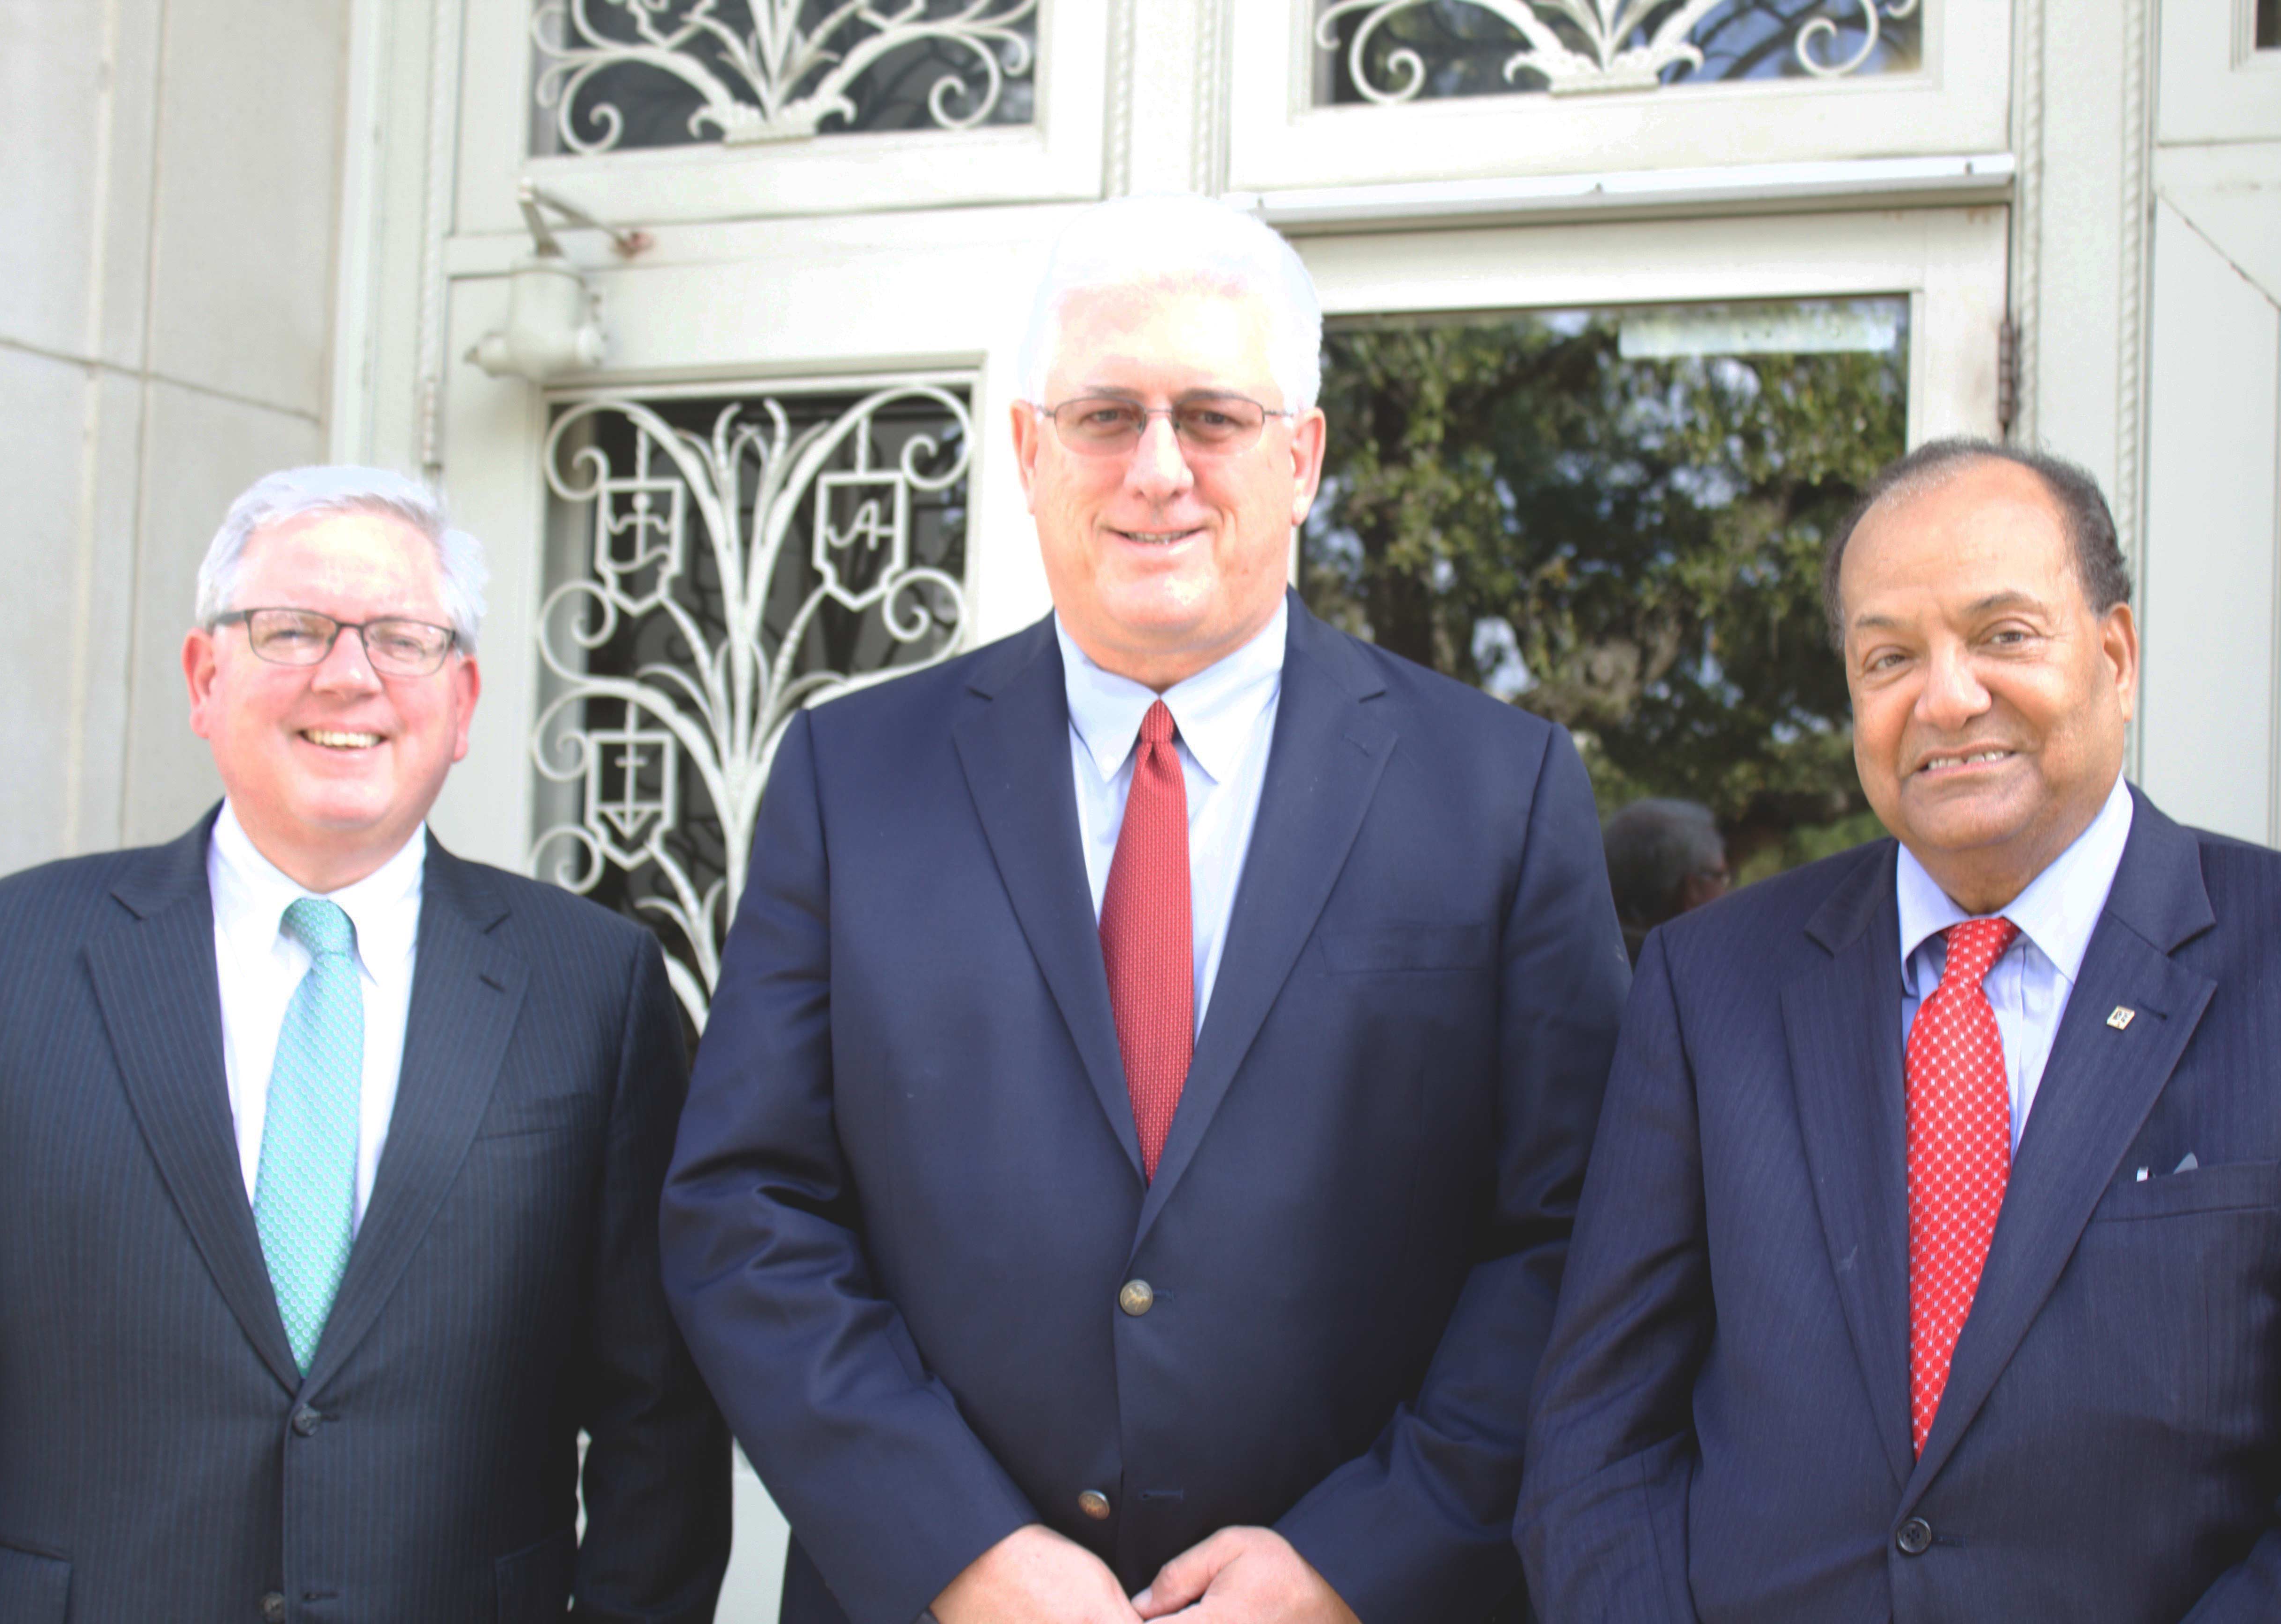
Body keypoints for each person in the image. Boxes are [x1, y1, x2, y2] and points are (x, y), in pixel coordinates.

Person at [662, 193, 1628, 1624]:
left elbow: (1569, 1230)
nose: (1159, 470)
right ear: (1029, 453)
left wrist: (1359, 1556)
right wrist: (954, 1546)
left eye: (1213, 418)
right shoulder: (850, 778)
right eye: (1107, 416)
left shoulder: (1501, 791)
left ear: (1301, 458)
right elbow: (748, 1205)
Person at [1516, 438, 2281, 1621]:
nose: (1944, 696)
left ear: (2114, 654)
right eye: (1887, 655)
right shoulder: (1708, 984)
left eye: (2002, 634)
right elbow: (1597, 1441)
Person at [0, 468, 732, 1623]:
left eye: (402, 637)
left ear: (465, 697)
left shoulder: (593, 985)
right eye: (290, 629)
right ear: (204, 674)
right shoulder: (9, 955)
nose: (348, 673)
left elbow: (660, 1418)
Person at [1600, 799, 1729, 963]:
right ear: (1692, 890)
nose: (1729, 892)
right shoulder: (1699, 974)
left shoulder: (1585, 951)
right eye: (1721, 878)